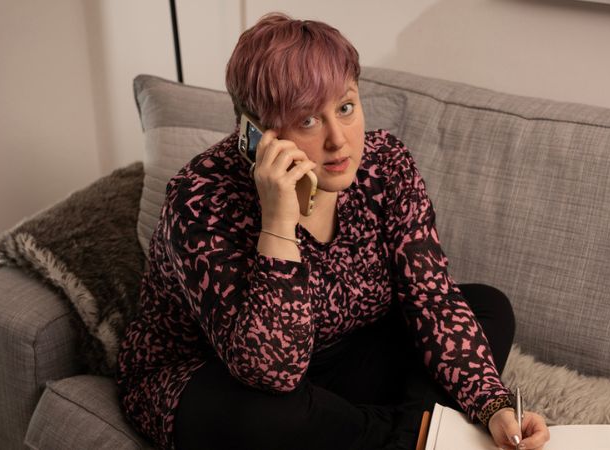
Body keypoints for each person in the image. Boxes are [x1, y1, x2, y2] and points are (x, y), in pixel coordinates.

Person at [116, 12, 550, 450]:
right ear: (258, 134)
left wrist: (493, 406)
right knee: (267, 414)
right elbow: (272, 369)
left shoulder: (386, 164)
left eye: (345, 108)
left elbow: (432, 300)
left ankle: (397, 435)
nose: (339, 141)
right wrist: (279, 222)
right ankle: (420, 434)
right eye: (308, 121)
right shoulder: (199, 199)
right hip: (225, 379)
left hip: (343, 361)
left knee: (487, 306)